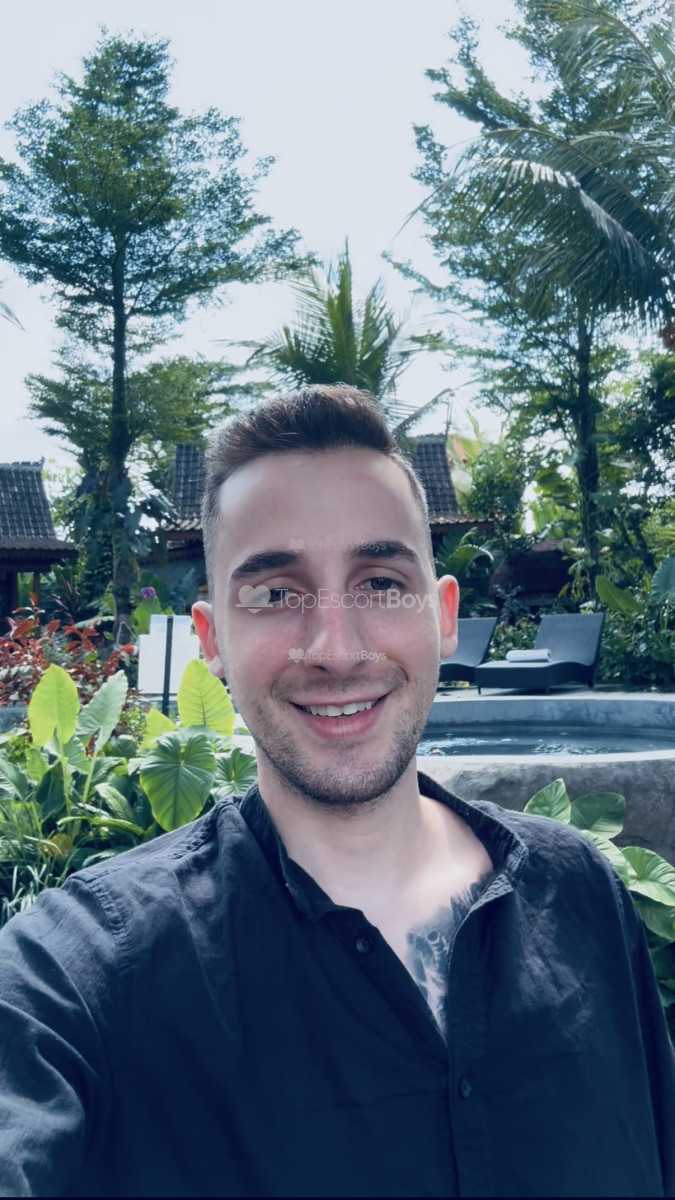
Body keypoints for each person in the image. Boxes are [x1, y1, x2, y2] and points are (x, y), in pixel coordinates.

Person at [0, 384, 673, 1198]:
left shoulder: (582, 894)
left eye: (380, 582)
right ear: (212, 640)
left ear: (442, 615)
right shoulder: (82, 976)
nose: (334, 647)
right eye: (275, 593)